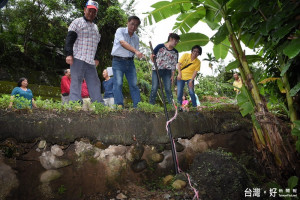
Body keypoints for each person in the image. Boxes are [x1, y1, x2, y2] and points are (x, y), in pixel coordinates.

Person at [64, 0, 103, 104]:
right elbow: (69, 39)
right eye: (89, 10)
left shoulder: (95, 27)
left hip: (90, 61)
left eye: (94, 12)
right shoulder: (77, 22)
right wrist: (69, 54)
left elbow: (95, 44)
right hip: (78, 58)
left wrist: (96, 57)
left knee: (95, 83)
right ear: (85, 10)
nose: (91, 13)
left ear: (96, 13)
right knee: (76, 82)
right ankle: (75, 104)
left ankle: (99, 105)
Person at [111, 16, 144, 108]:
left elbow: (136, 52)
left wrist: (141, 54)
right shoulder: (120, 31)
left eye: (136, 25)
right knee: (118, 83)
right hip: (118, 61)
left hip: (130, 63)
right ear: (128, 22)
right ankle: (119, 105)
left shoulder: (136, 38)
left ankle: (138, 106)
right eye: (132, 24)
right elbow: (123, 43)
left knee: (134, 84)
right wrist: (136, 51)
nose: (133, 27)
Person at [149, 33, 180, 105]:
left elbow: (174, 65)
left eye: (177, 42)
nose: (176, 43)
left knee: (168, 89)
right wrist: (153, 60)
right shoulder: (160, 46)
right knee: (154, 87)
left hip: (167, 72)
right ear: (171, 39)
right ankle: (151, 104)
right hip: (156, 70)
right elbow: (152, 55)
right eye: (175, 41)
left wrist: (172, 76)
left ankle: (172, 105)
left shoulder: (175, 52)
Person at [177, 45, 202, 110]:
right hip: (181, 76)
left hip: (190, 78)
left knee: (191, 92)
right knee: (179, 92)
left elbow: (195, 72)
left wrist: (191, 81)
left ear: (199, 54)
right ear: (192, 51)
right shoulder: (185, 55)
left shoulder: (198, 62)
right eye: (194, 51)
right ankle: (179, 108)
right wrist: (179, 74)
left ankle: (194, 107)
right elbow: (178, 64)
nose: (195, 53)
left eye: (197, 52)